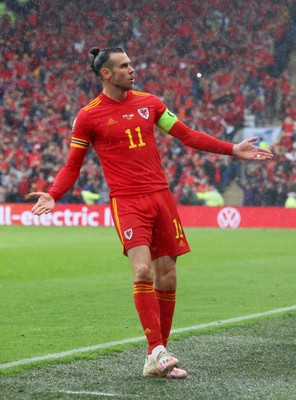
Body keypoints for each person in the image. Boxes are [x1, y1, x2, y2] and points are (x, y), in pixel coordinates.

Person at [29, 47, 273, 379]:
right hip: (127, 202)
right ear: (106, 74)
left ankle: (156, 352)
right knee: (142, 271)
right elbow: (73, 165)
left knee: (168, 276)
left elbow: (187, 135)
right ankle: (158, 351)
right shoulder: (88, 116)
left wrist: (232, 149)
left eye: (131, 64)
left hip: (161, 198)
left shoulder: (150, 103)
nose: (133, 70)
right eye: (124, 66)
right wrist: (54, 194)